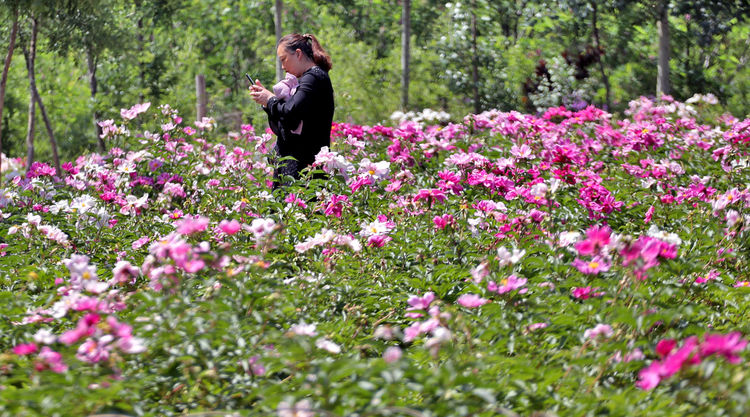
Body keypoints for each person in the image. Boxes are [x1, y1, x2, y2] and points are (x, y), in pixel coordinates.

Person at [249, 33, 334, 189]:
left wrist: (270, 100)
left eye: (284, 59)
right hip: (296, 167)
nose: (282, 66)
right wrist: (268, 102)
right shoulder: (309, 79)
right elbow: (288, 123)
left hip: (304, 170)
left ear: (298, 54)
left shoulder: (313, 78)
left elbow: (291, 112)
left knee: (298, 210)